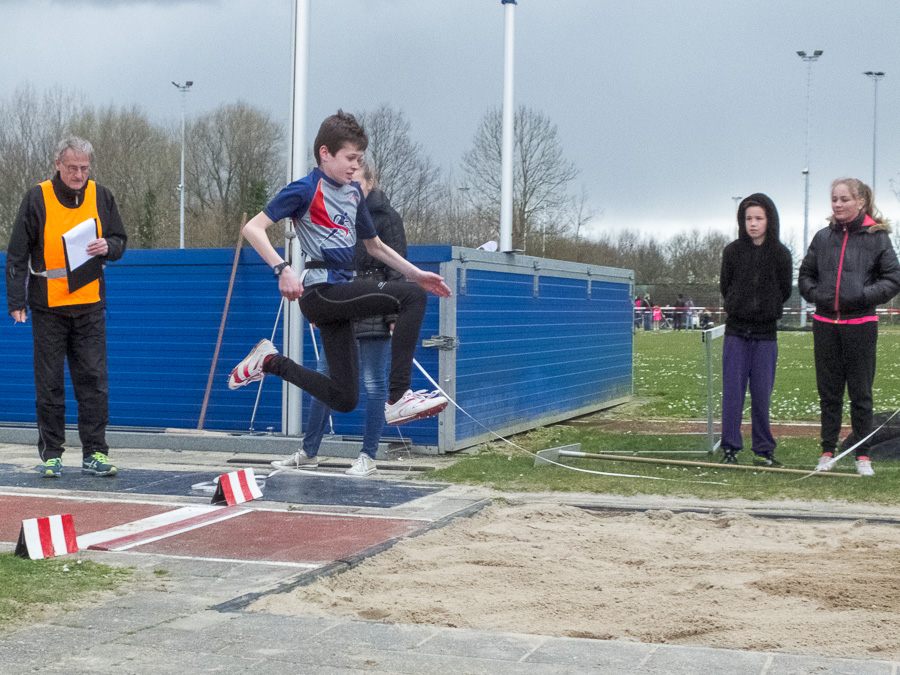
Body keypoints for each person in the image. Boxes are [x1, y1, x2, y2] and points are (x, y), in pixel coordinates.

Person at [228, 111, 449, 431]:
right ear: (325, 153)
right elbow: (253, 228)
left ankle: (269, 361)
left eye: (359, 160)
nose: (355, 166)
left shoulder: (353, 196)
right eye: (350, 158)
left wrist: (418, 274)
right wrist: (283, 269)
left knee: (345, 398)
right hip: (321, 292)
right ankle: (399, 397)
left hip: (338, 300)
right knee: (411, 298)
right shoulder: (303, 190)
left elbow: (375, 247)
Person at [272, 159, 406, 477]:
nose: (347, 185)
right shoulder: (337, 211)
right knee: (325, 378)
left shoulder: (386, 218)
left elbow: (397, 265)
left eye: (354, 179)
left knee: (373, 383)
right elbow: (323, 260)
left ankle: (368, 455)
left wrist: (393, 314)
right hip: (339, 304)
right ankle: (309, 450)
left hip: (373, 308)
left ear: (369, 183)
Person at [6, 137, 127, 478]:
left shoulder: (101, 196)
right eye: (72, 168)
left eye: (84, 168)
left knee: (94, 382)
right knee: (49, 384)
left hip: (89, 305)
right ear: (57, 164)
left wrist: (109, 246)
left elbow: (120, 241)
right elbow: (17, 254)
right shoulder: (37, 197)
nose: (78, 174)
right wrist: (16, 301)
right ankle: (52, 454)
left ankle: (95, 453)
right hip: (48, 306)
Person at [798, 178, 900, 476]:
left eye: (844, 199)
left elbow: (893, 278)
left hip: (861, 325)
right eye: (834, 199)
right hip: (825, 325)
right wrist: (818, 296)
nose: (838, 204)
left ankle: (862, 455)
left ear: (861, 202)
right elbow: (805, 275)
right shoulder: (822, 237)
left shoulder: (877, 238)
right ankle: (827, 451)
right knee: (829, 393)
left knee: (861, 393)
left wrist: (862, 296)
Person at [718, 194, 792, 466]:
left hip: (765, 336)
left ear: (768, 220)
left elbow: (784, 290)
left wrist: (766, 308)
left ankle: (763, 450)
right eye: (748, 218)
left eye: (758, 218)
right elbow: (726, 286)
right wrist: (739, 304)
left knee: (762, 395)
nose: (753, 224)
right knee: (733, 395)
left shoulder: (781, 254)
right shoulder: (732, 252)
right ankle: (730, 449)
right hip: (736, 333)